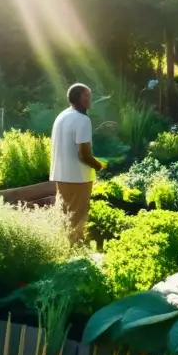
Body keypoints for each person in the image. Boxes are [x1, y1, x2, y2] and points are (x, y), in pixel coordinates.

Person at [51, 83, 104, 244]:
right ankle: (76, 252)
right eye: (86, 96)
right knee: (78, 217)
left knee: (64, 215)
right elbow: (84, 154)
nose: (89, 99)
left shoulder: (62, 116)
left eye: (89, 95)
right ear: (77, 98)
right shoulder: (82, 120)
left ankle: (62, 247)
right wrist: (98, 165)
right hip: (78, 177)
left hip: (61, 174)